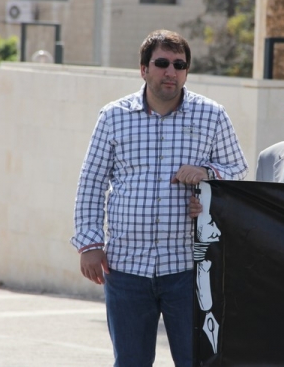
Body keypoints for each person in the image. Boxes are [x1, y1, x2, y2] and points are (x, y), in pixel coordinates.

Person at [72, 29, 248, 367]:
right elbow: (91, 181)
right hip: (125, 267)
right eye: (162, 63)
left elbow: (238, 172)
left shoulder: (212, 115)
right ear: (144, 69)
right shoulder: (113, 116)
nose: (171, 72)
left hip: (189, 268)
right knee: (130, 362)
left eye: (179, 65)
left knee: (196, 361)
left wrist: (207, 174)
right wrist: (89, 244)